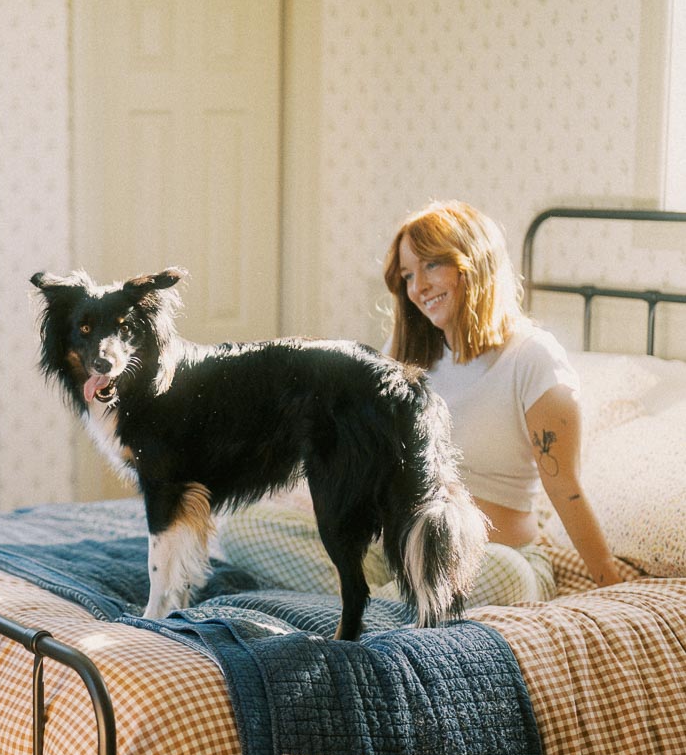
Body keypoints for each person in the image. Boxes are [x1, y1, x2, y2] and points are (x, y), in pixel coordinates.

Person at [218, 200, 636, 609]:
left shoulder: (533, 358)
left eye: (431, 265)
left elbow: (566, 487)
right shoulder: (404, 354)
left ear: (473, 262)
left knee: (506, 577)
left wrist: (612, 588)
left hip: (486, 558)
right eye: (407, 274)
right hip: (394, 554)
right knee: (241, 526)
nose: (418, 288)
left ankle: (354, 609)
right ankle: (377, 607)